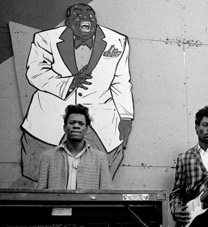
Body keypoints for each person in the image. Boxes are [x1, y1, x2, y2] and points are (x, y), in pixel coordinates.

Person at [20, 3, 133, 186]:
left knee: (97, 181)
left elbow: (121, 81)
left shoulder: (117, 41)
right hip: (48, 120)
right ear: (68, 21)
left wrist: (126, 116)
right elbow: (35, 72)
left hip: (101, 122)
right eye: (78, 14)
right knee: (41, 177)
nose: (85, 16)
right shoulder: (45, 39)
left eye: (89, 12)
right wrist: (67, 83)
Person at [36, 104, 112, 190]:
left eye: (81, 123)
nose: (76, 126)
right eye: (72, 122)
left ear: (86, 129)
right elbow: (40, 194)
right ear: (64, 127)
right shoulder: (48, 157)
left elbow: (106, 194)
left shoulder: (99, 158)